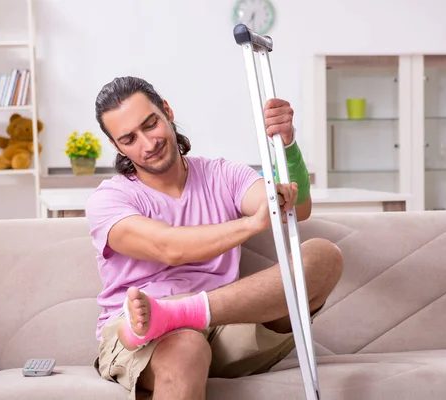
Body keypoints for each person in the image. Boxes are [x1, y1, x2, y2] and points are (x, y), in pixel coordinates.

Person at [85, 76, 344, 400]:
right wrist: (251, 224)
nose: (148, 144)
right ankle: (173, 318)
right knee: (186, 346)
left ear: (167, 110)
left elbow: (297, 209)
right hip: (141, 329)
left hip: (226, 323)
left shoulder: (223, 174)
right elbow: (168, 247)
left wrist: (287, 149)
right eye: (129, 139)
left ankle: (182, 312)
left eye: (150, 124)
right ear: (116, 146)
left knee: (324, 256)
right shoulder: (109, 199)